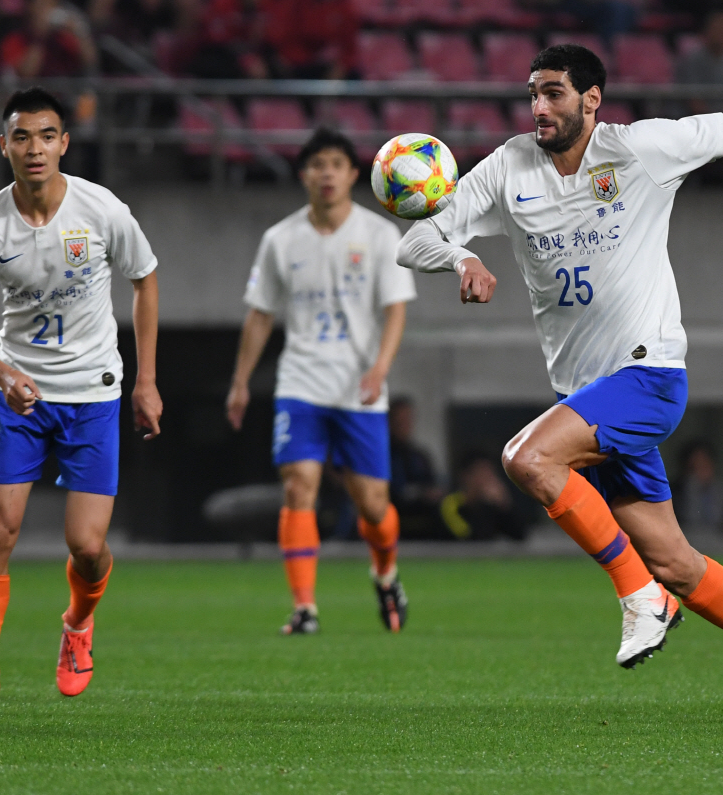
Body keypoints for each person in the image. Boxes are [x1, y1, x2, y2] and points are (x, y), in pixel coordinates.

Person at [397, 44, 723, 726]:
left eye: (554, 93)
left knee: (527, 459)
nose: (538, 107)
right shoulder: (509, 167)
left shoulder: (641, 150)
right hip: (589, 400)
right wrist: (461, 256)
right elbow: (412, 242)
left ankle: (638, 595)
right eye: (533, 93)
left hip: (647, 375)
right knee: (677, 562)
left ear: (592, 99)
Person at [0, 87, 163, 702]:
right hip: (19, 397)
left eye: (45, 136)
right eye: (22, 136)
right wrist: (2, 373)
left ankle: (78, 623)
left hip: (93, 394)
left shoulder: (102, 209)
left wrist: (145, 381)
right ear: (4, 146)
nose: (34, 148)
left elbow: (145, 280)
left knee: (87, 547)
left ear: (64, 143)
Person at [226, 128, 416, 636]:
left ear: (353, 175)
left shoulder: (380, 234)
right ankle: (305, 608)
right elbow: (260, 314)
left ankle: (385, 574)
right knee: (298, 485)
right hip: (301, 381)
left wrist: (380, 367)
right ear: (304, 174)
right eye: (317, 164)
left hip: (359, 386)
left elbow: (396, 309)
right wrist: (240, 382)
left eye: (336, 164)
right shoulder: (280, 239)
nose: (326, 173)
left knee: (373, 505)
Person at [388, 396, 445, 538]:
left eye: (408, 419)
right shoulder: (381, 457)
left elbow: (431, 484)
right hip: (393, 519)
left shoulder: (420, 457)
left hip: (424, 520)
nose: (404, 425)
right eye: (399, 420)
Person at [440, 452, 529, 541]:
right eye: (481, 473)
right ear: (466, 476)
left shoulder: (493, 504)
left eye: (490, 473)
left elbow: (519, 535)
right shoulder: (451, 503)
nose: (487, 479)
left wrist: (504, 506)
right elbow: (469, 537)